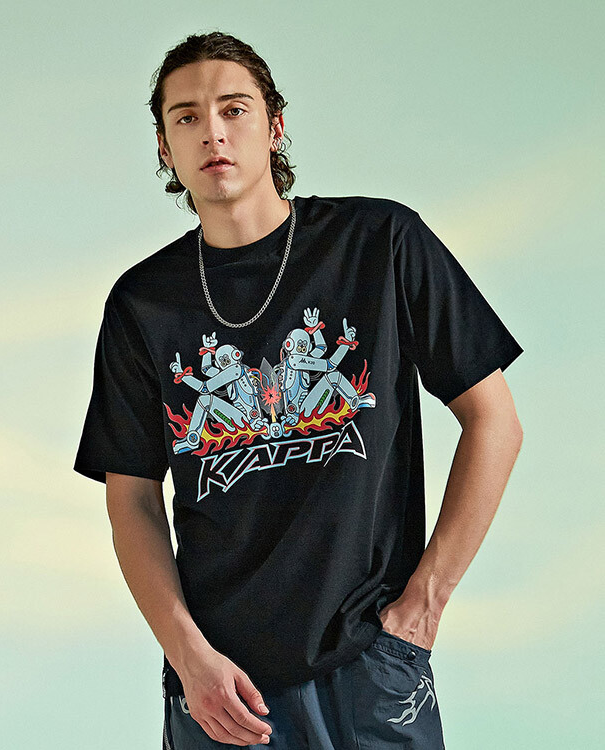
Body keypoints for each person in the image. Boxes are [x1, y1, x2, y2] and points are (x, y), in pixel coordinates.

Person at [73, 31, 524, 750]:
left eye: (234, 109)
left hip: (369, 662)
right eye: (186, 117)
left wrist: (424, 604)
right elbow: (131, 499)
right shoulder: (143, 303)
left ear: (275, 125)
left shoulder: (379, 243)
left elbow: (495, 420)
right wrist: (189, 657)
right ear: (164, 146)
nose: (212, 132)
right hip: (219, 684)